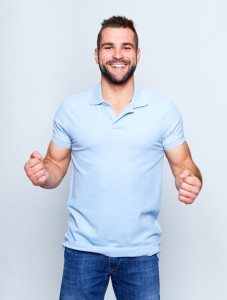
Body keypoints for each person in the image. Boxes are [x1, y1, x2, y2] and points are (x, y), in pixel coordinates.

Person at [24, 16, 202, 300]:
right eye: (108, 47)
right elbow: (55, 165)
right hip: (83, 251)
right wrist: (42, 174)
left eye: (126, 47)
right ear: (96, 54)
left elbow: (184, 165)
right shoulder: (71, 109)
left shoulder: (163, 111)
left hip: (140, 254)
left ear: (137, 54)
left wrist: (191, 180)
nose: (118, 55)